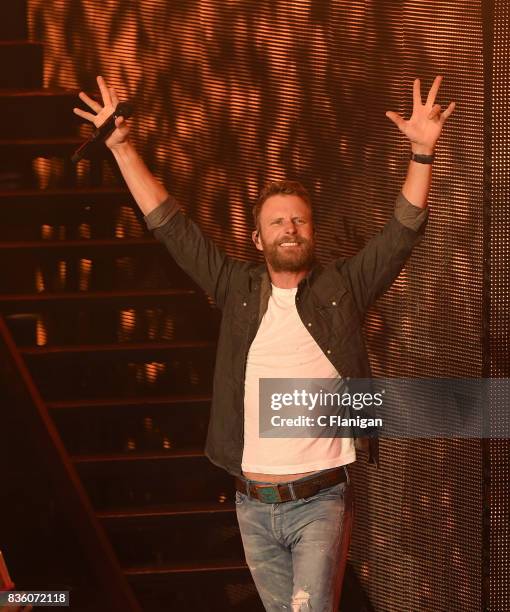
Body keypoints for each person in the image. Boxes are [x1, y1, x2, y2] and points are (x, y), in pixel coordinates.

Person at [74, 75, 454, 611]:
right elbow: (171, 225)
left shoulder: (340, 288)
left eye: (299, 220)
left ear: (313, 233)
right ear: (258, 239)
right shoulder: (236, 288)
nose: (290, 229)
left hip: (320, 499)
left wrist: (421, 153)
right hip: (252, 503)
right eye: (277, 222)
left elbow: (402, 232)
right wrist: (121, 146)